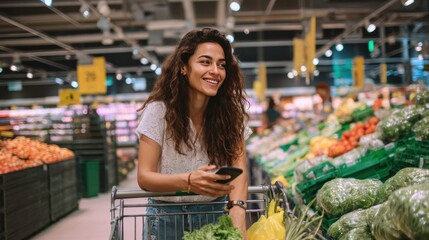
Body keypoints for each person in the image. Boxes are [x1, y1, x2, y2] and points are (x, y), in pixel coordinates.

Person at [135, 28, 251, 239]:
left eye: (221, 64)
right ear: (183, 67)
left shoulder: (231, 114)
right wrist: (188, 181)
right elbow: (144, 176)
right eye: (205, 62)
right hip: (165, 220)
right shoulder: (158, 112)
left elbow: (239, 170)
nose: (216, 71)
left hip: (214, 215)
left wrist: (238, 214)